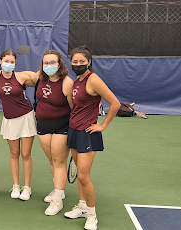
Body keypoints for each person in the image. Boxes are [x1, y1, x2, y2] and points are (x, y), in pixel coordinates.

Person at [66, 46, 120, 230]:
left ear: (89, 62)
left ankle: (91, 214)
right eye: (75, 62)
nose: (78, 64)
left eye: (82, 62)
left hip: (88, 133)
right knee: (80, 177)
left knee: (83, 175)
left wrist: (103, 125)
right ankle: (82, 206)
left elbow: (115, 103)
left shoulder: (93, 79)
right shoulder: (77, 81)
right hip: (73, 130)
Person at [21, 50, 73, 215]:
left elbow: (74, 108)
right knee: (52, 159)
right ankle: (59, 190)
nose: (49, 66)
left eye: (52, 63)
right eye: (46, 63)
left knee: (59, 161)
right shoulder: (39, 79)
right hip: (42, 126)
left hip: (61, 127)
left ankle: (57, 200)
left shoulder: (67, 83)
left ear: (59, 64)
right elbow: (23, 75)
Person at [0, 49, 37, 200]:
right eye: (6, 61)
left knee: (25, 154)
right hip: (9, 120)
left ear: (15, 63)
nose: (9, 64)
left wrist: (31, 72)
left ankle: (27, 187)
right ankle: (16, 186)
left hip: (26, 117)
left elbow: (38, 79)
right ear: (0, 61)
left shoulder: (21, 76)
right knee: (14, 154)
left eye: (11, 62)